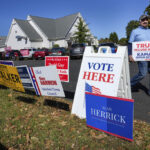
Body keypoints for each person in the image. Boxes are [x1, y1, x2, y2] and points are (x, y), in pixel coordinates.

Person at [128, 14, 150, 95]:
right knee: (143, 73)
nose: (145, 21)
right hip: (141, 56)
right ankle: (130, 84)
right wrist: (130, 55)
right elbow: (130, 43)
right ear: (140, 21)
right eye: (143, 20)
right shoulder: (135, 31)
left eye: (146, 20)